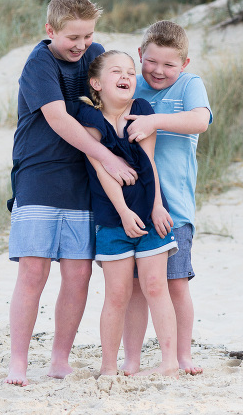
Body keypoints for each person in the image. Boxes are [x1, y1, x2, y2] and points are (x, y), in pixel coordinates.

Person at [5, 0, 137, 386]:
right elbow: (59, 119)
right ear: (51, 30)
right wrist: (109, 158)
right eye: (71, 38)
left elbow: (121, 86)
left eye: (87, 36)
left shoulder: (94, 54)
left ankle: (60, 359)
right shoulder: (38, 64)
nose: (80, 46)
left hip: (83, 180)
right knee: (33, 272)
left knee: (78, 275)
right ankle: (18, 362)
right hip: (39, 175)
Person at [75, 50, 179, 377]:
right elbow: (102, 168)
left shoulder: (142, 111)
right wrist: (122, 212)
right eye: (116, 71)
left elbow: (149, 162)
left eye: (131, 72)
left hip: (149, 216)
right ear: (96, 83)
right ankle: (108, 366)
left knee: (154, 285)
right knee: (117, 294)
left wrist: (157, 206)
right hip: (111, 219)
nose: (126, 77)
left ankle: (169, 363)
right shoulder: (88, 119)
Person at [122, 20, 213, 375]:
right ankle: (131, 359)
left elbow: (200, 121)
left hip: (175, 208)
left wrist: (154, 121)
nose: (159, 71)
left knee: (175, 285)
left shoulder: (190, 85)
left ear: (184, 64)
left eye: (169, 64)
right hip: (133, 207)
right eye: (152, 61)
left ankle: (182, 355)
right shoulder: (132, 84)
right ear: (140, 54)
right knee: (135, 288)